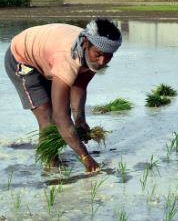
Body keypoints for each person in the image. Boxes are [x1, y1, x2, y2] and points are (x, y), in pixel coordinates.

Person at [4, 18, 122, 173]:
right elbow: (60, 117)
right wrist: (86, 158)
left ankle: (53, 157)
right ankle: (50, 164)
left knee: (62, 113)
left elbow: (79, 85)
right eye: (98, 55)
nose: (101, 62)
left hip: (46, 56)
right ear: (85, 43)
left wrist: (80, 120)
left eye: (108, 57)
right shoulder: (68, 57)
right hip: (22, 59)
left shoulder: (91, 53)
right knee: (49, 118)